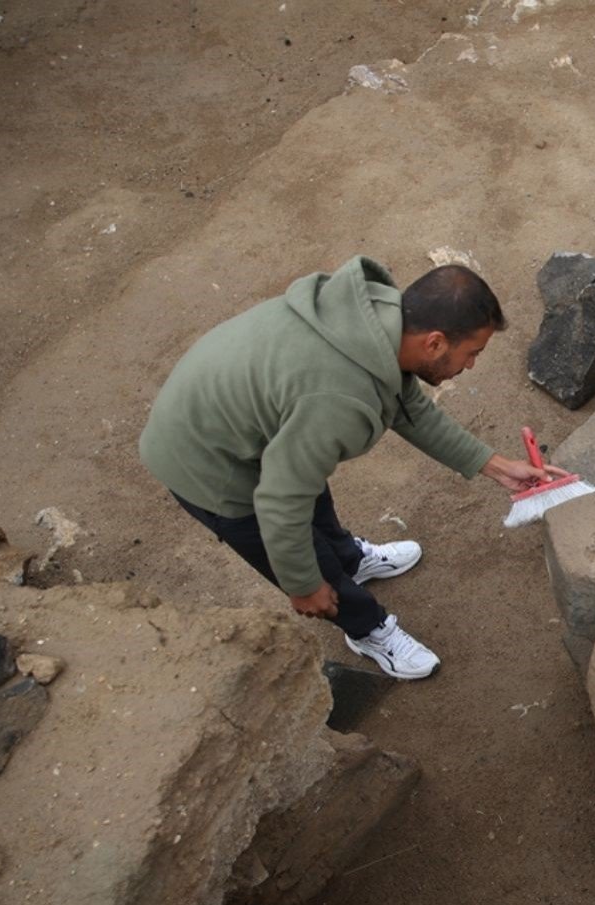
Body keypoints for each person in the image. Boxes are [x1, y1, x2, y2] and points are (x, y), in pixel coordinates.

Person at [139, 256, 566, 679]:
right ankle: (367, 628)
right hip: (206, 462)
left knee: (308, 477)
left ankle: (350, 558)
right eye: (471, 353)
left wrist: (493, 465)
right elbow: (279, 503)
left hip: (244, 421)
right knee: (304, 550)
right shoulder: (337, 400)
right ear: (435, 343)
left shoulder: (375, 321)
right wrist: (303, 584)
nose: (471, 365)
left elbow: (405, 405)